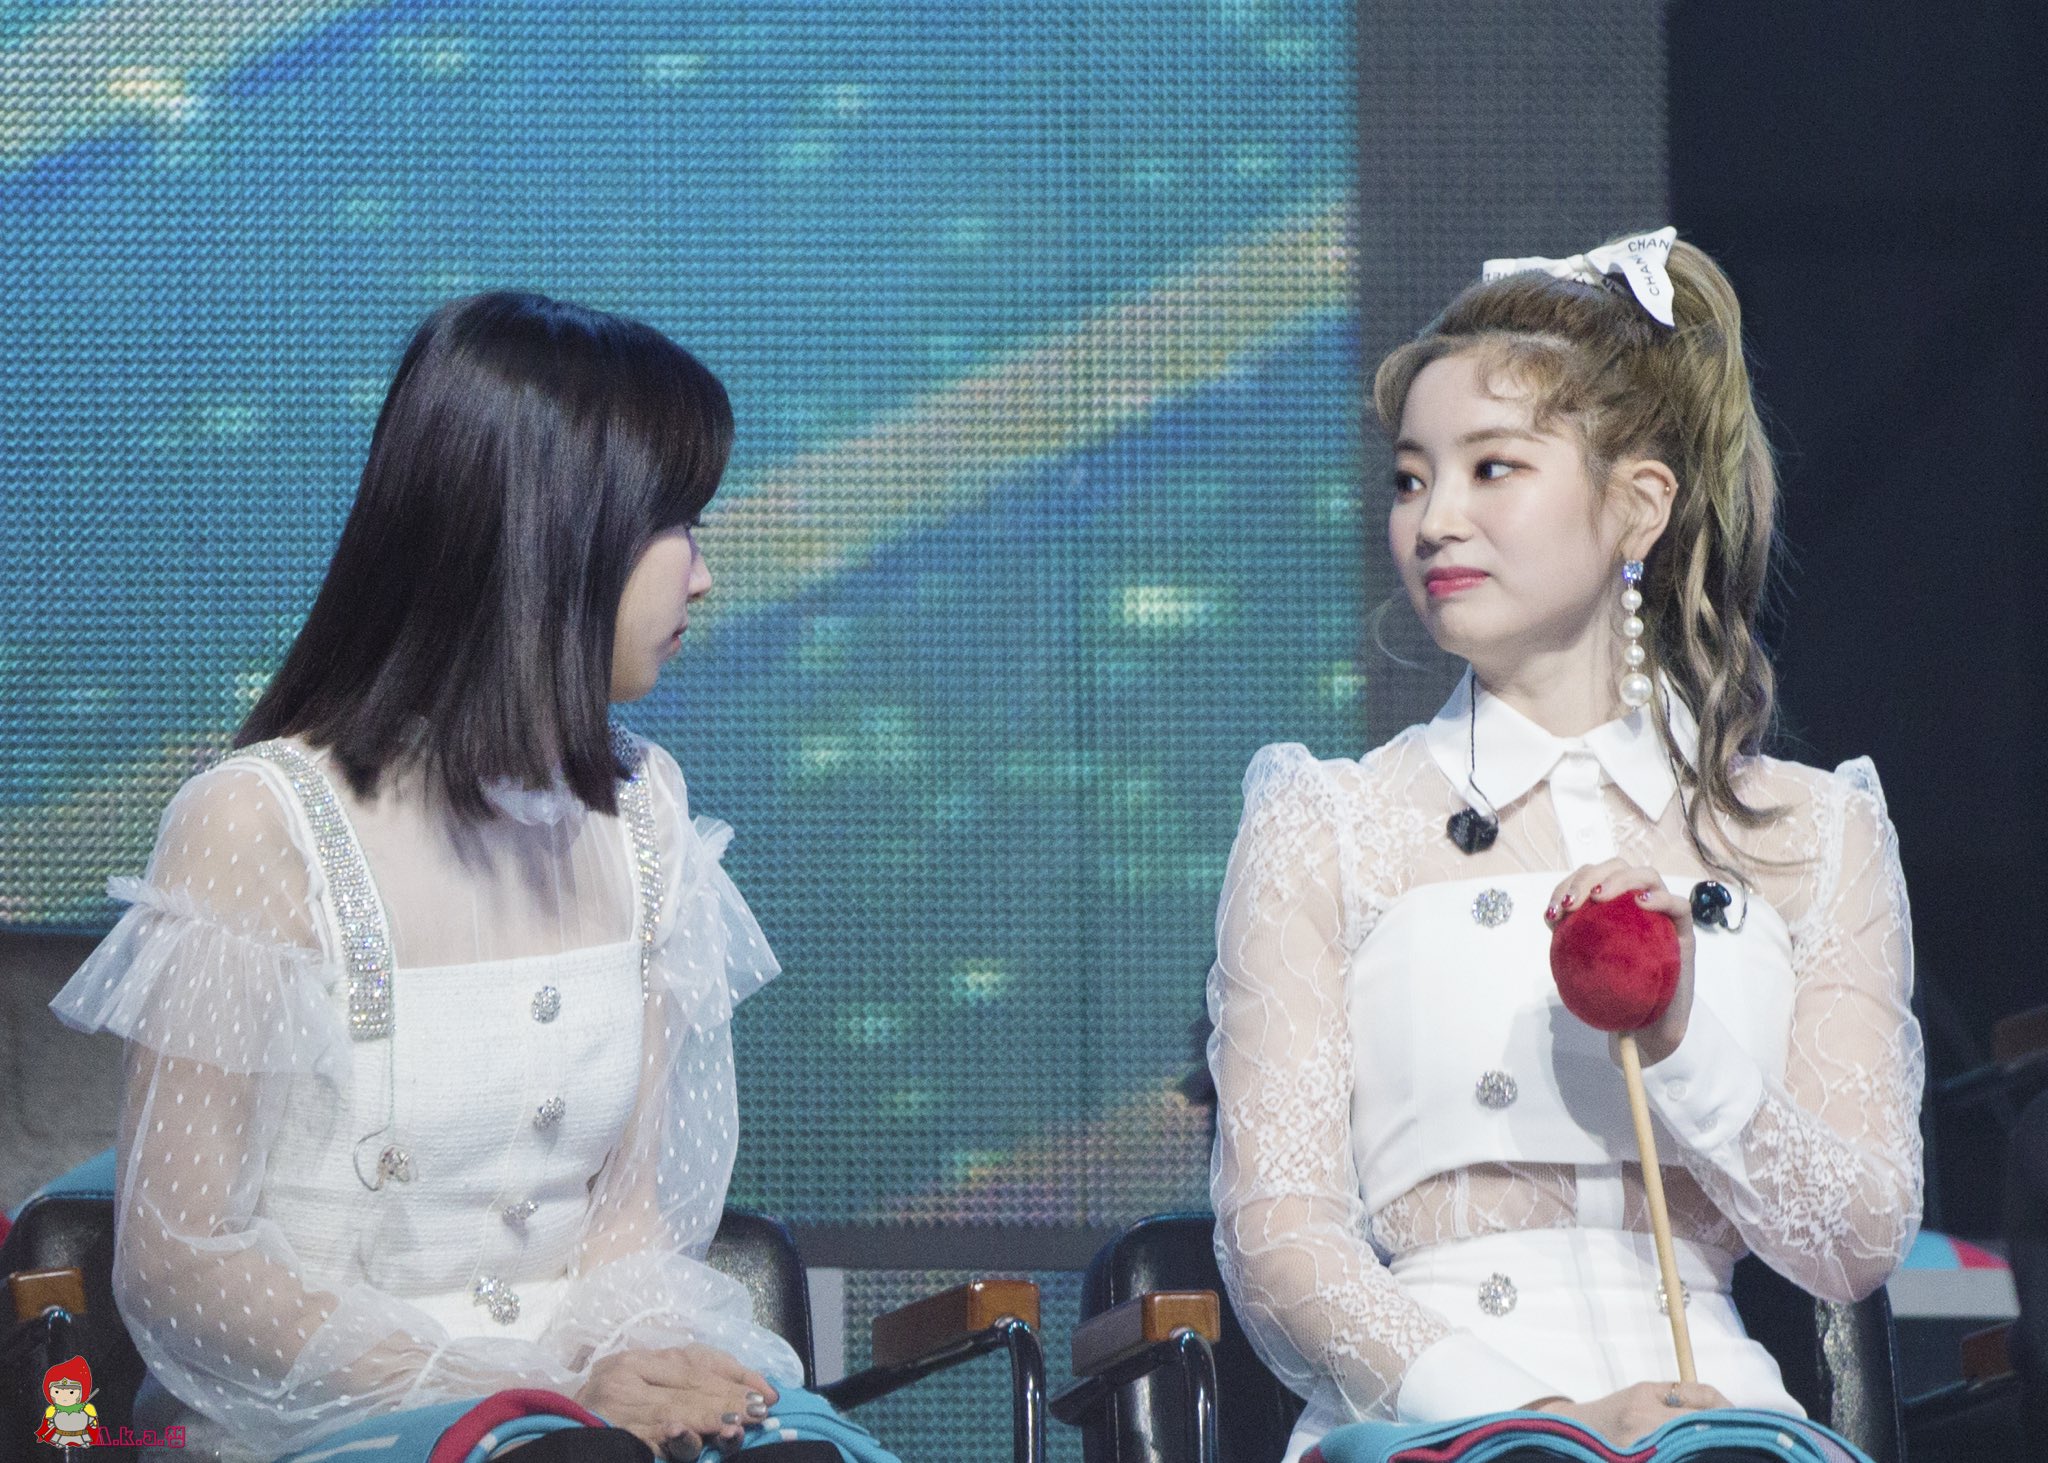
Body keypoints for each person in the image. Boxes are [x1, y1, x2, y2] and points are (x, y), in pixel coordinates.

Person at [51, 293, 849, 1462]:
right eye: (674, 524)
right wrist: (529, 1389)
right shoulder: (258, 821)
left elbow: (628, 1220)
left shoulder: (643, 811)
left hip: (579, 1408)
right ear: (553, 535)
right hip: (341, 1411)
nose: (703, 575)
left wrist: (641, 1366)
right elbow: (182, 1264)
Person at [1207, 231, 1922, 1462]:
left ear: (1636, 502)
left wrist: (1681, 1041)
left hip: (1719, 1418)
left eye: (1492, 468)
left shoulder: (1810, 829)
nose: (1435, 520)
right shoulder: (1324, 820)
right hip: (1443, 1413)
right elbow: (1281, 1236)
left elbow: (1853, 1237)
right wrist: (1535, 1419)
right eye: (1410, 479)